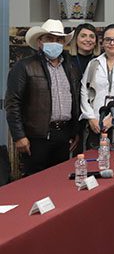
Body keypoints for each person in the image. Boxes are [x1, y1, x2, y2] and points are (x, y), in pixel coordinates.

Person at [5, 19, 82, 176]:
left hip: (63, 134)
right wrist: (19, 136)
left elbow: (76, 100)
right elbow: (12, 103)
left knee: (60, 179)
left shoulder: (71, 67)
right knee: (35, 180)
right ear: (40, 42)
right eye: (49, 38)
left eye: (59, 39)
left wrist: (75, 131)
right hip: (36, 136)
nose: (55, 43)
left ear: (63, 43)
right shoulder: (24, 66)